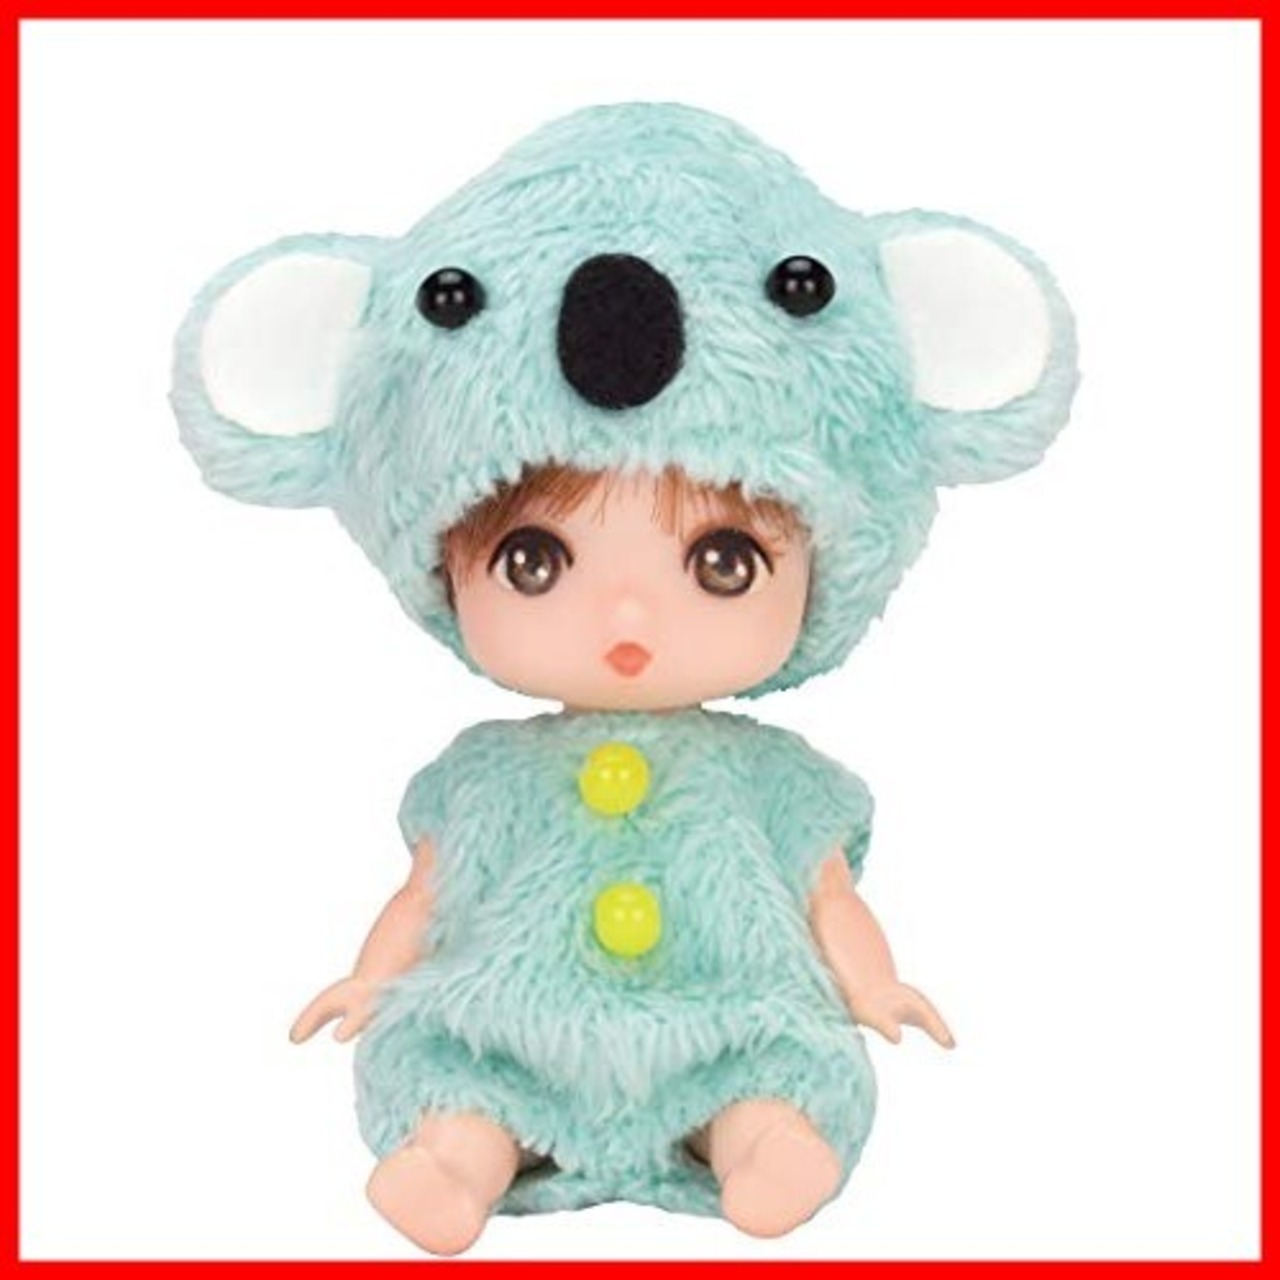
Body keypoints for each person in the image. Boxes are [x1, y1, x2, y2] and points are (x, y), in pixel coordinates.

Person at [289, 463, 953, 1255]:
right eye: (534, 563)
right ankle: (457, 1163)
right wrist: (371, 980)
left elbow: (826, 893)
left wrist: (873, 984)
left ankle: (760, 1144)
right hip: (515, 1021)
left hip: (723, 1008)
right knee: (461, 1077)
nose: (628, 614)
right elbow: (427, 893)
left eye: (722, 564)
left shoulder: (772, 773)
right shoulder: (485, 772)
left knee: (773, 1073)